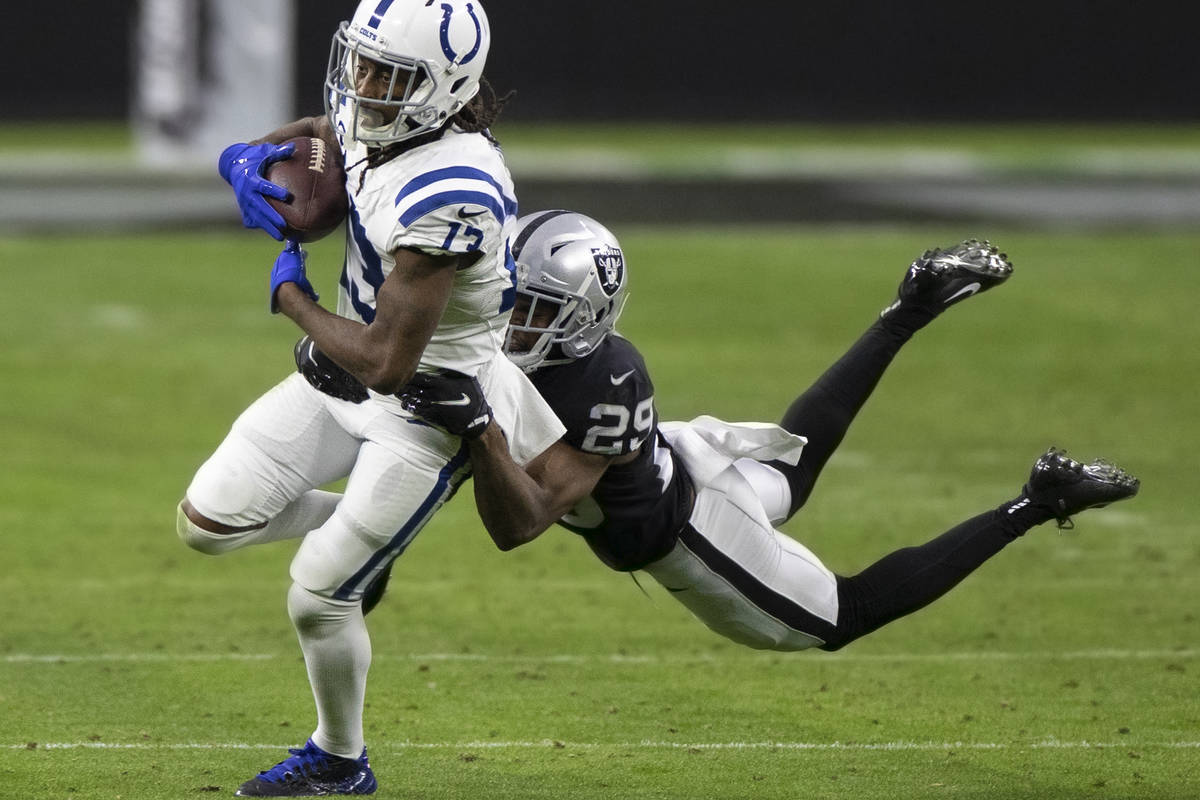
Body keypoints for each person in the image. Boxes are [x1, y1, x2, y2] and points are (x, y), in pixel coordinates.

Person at [397, 210, 1140, 653]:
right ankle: (910, 307)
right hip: (679, 462)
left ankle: (1038, 501)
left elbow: (519, 522)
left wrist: (482, 436)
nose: (509, 318)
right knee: (794, 471)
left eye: (532, 306)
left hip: (687, 534)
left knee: (843, 615)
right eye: (510, 299)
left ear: (582, 313)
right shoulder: (543, 352)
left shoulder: (602, 382)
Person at [175, 2, 563, 796]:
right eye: (364, 61)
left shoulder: (454, 187)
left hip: (424, 404)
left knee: (317, 597)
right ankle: (366, 545)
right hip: (338, 369)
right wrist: (244, 156)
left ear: (446, 88)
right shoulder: (379, 106)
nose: (368, 84)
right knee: (205, 525)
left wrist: (293, 300)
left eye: (391, 74)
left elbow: (388, 362)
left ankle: (339, 761)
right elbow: (326, 124)